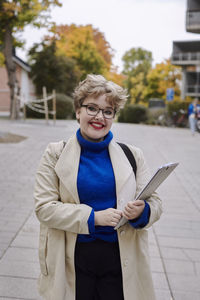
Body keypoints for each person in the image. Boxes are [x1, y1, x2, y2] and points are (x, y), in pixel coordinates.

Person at [34, 74, 162, 300]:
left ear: (113, 116)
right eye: (92, 108)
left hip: (121, 261)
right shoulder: (55, 154)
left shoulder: (133, 155)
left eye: (107, 111)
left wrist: (144, 212)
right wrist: (93, 218)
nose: (99, 117)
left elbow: (155, 202)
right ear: (77, 111)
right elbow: (44, 208)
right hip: (73, 260)